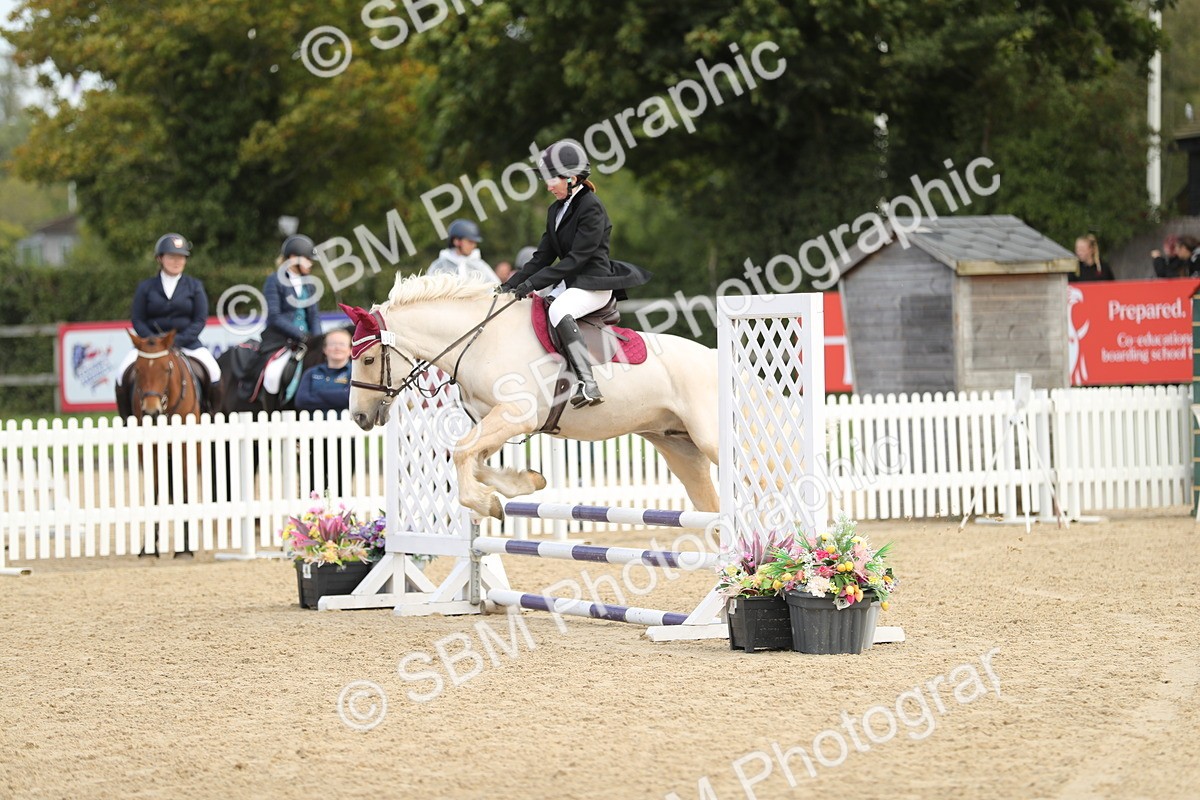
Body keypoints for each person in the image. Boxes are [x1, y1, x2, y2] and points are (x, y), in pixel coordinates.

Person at [498, 139, 651, 408]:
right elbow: (542, 257)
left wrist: (533, 283)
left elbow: (575, 260)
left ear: (571, 177)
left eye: (551, 180)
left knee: (558, 310)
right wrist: (509, 286)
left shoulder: (590, 206)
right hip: (571, 284)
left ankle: (589, 384)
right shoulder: (556, 210)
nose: (547, 186)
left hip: (593, 284)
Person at [116, 233, 221, 414]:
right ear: (160, 258)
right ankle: (128, 420)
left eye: (181, 257)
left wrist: (176, 340)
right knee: (121, 373)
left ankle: (213, 418)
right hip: (151, 347)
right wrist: (155, 342)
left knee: (214, 372)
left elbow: (199, 319)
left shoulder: (194, 286)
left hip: (187, 343)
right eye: (172, 257)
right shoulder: (146, 287)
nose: (177, 261)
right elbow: (138, 319)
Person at [254, 234, 323, 401]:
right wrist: (301, 336)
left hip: (307, 341)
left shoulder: (309, 284)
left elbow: (313, 315)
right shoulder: (274, 280)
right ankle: (271, 408)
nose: (311, 263)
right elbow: (274, 316)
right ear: (293, 258)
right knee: (272, 375)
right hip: (281, 341)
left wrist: (318, 340)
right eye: (307, 259)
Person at [295, 328, 352, 412]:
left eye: (342, 344)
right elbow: (301, 401)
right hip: (313, 424)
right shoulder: (310, 373)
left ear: (351, 350)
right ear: (324, 349)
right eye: (332, 344)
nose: (337, 348)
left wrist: (318, 393)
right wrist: (339, 396)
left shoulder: (356, 374)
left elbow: (350, 398)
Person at [426, 219, 499, 283]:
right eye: (470, 242)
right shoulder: (439, 266)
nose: (474, 246)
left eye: (475, 242)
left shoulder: (480, 266)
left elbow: (496, 288)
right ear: (456, 241)